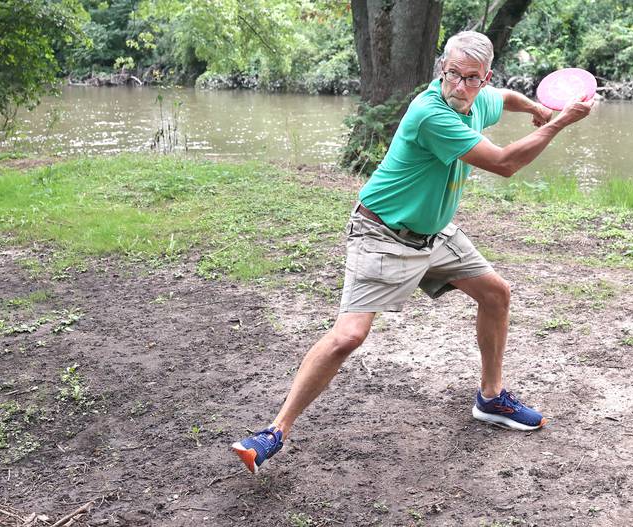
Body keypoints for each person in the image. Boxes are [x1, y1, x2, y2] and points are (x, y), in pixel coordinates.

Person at [231, 31, 594, 473]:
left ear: (484, 77)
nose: (459, 85)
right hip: (382, 233)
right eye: (452, 74)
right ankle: (273, 432)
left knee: (496, 294)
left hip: (434, 233)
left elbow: (504, 98)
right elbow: (505, 163)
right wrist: (557, 122)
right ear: (442, 69)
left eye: (470, 78)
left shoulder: (480, 98)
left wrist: (536, 108)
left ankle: (492, 398)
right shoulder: (430, 113)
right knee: (349, 336)